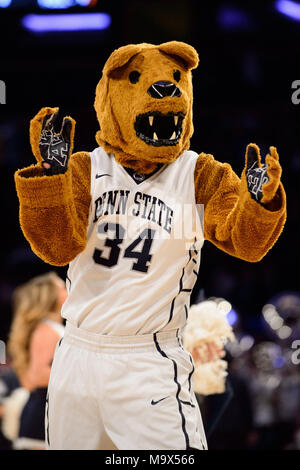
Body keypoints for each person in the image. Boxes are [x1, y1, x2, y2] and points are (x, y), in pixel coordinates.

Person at [14, 41, 286, 450]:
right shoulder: (87, 168)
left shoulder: (199, 174)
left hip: (148, 359)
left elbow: (245, 243)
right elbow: (55, 248)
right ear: (111, 97)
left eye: (177, 81)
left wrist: (259, 203)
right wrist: (52, 177)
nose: (165, 91)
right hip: (78, 354)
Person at [7, 272, 66, 450]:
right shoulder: (46, 329)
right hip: (42, 415)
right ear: (50, 296)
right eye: (62, 287)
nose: (68, 290)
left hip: (49, 412)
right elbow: (38, 375)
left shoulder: (51, 327)